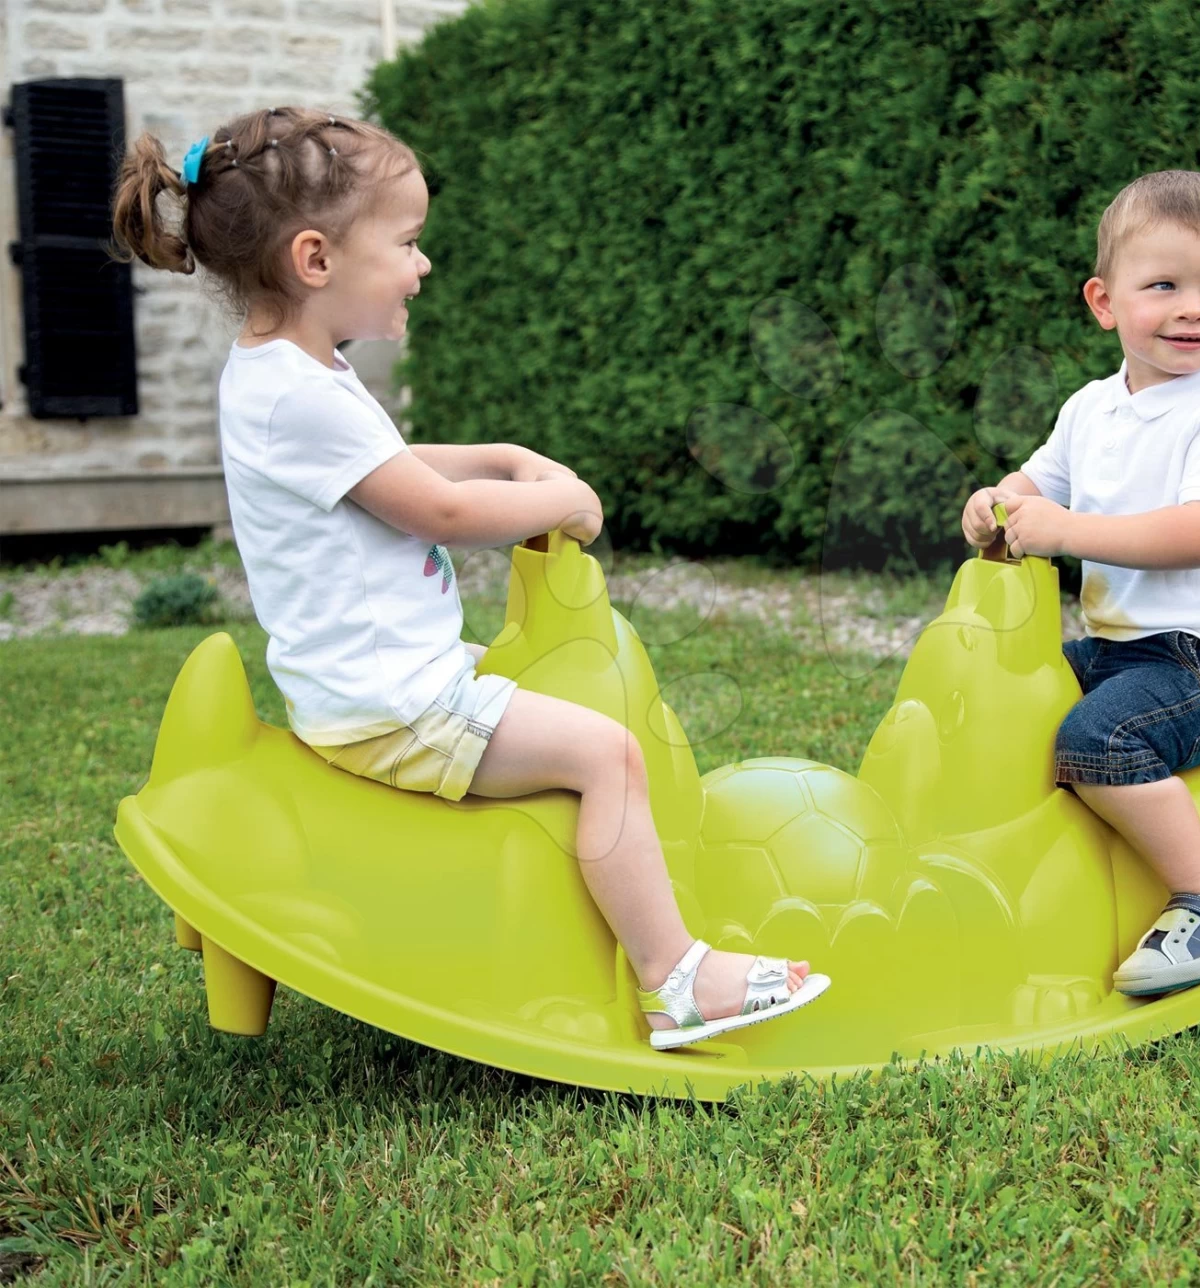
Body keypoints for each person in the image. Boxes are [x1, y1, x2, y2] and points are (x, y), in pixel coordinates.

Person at [109, 105, 828, 1049]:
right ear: (316, 260)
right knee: (608, 755)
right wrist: (559, 500)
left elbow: (390, 464)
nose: (423, 265)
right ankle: (676, 978)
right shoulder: (297, 394)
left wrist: (504, 457)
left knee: (551, 697)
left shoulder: (288, 372)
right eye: (406, 243)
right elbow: (437, 513)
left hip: (374, 682)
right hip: (395, 704)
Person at [961, 169, 1200, 996]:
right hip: (1120, 647)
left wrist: (1066, 532)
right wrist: (998, 503)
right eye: (1164, 286)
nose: (1194, 308)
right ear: (1105, 302)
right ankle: (1000, 871)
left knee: (1099, 740)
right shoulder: (1091, 409)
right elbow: (1039, 483)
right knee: (1005, 697)